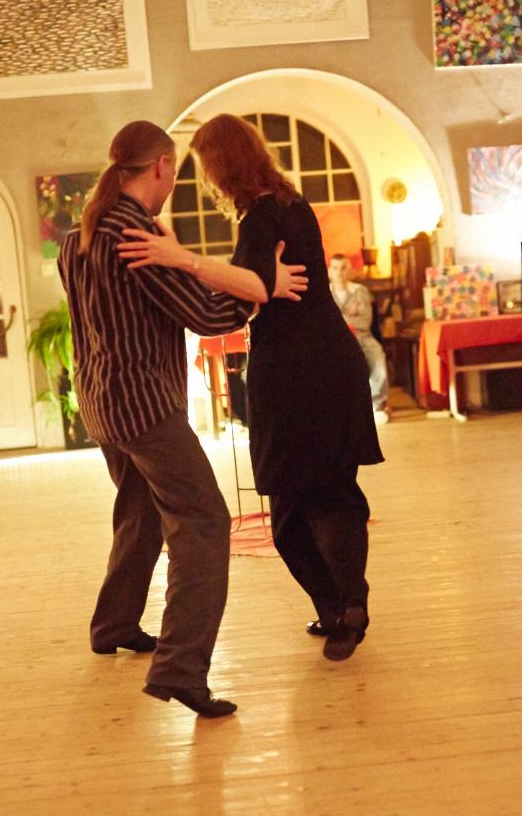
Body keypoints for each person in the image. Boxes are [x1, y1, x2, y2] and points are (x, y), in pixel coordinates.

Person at [57, 120, 307, 718]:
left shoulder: (77, 235)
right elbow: (207, 316)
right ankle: (181, 668)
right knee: (204, 522)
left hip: (101, 402)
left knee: (140, 509)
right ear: (162, 167)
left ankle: (114, 624)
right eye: (175, 172)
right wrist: (262, 285)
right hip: (144, 405)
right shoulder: (137, 236)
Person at [118, 114, 384, 662]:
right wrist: (249, 278)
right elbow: (261, 283)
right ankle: (347, 606)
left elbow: (254, 288)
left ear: (222, 164)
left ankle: (339, 607)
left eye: (206, 165)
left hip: (291, 372)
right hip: (333, 362)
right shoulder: (292, 203)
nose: (206, 179)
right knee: (336, 494)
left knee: (289, 513)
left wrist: (181, 259)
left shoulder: (261, 216)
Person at [328, 253, 391, 426]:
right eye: (335, 268)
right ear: (329, 271)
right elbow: (324, 323)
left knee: (377, 358)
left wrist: (340, 318)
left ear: (349, 270)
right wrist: (350, 315)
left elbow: (365, 321)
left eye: (343, 268)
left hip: (362, 336)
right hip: (335, 341)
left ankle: (376, 405)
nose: (339, 272)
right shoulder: (324, 294)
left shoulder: (360, 291)